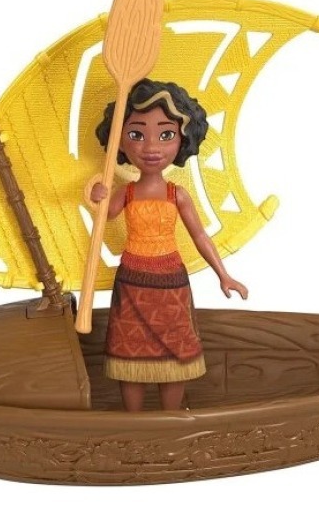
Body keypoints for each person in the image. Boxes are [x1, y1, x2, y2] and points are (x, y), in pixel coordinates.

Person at [90, 78, 247, 412]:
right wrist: (96, 196)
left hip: (170, 281)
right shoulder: (126, 193)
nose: (151, 147)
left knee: (175, 350)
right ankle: (134, 420)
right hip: (132, 280)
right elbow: (104, 217)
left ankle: (171, 418)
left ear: (183, 139)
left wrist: (224, 275)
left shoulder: (178, 195)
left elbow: (200, 235)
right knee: (129, 351)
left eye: (166, 135)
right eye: (136, 134)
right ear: (119, 140)